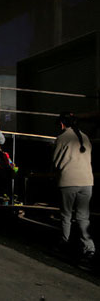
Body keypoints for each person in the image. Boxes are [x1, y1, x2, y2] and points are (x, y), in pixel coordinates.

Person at [53, 112, 95, 265]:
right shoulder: (85, 137)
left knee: (66, 215)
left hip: (68, 181)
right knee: (83, 216)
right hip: (87, 181)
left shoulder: (62, 138)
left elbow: (56, 162)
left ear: (62, 124)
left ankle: (65, 243)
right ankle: (89, 247)